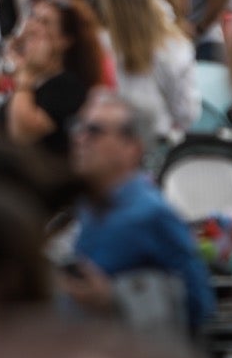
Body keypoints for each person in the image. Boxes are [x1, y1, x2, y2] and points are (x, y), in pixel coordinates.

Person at [60, 92, 213, 336]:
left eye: (94, 131)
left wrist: (115, 300)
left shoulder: (152, 214)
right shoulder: (89, 207)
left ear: (132, 148)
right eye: (78, 128)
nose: (80, 138)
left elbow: (199, 304)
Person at [95, 0, 199, 151]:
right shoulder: (176, 47)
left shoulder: (98, 44)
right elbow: (187, 113)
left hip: (109, 144)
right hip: (159, 144)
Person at [0, 0, 106, 160]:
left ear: (65, 40)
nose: (33, 26)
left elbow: (22, 134)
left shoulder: (68, 85)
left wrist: (27, 75)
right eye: (33, 17)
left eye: (45, 23)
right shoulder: (35, 77)